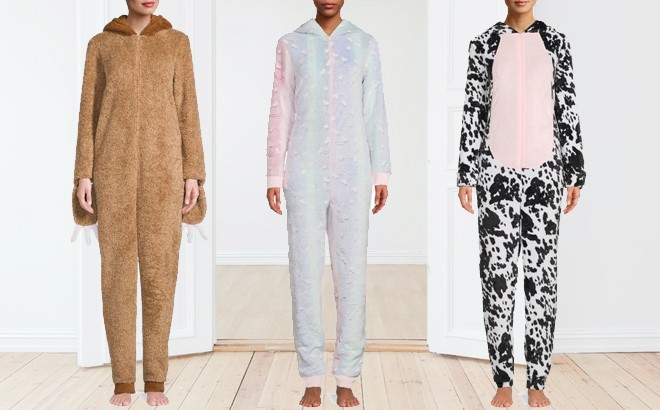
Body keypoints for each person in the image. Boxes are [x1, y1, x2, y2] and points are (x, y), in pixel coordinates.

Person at [71, 0, 206, 406]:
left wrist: (193, 172)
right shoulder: (101, 45)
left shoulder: (177, 43)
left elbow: (188, 110)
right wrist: (83, 173)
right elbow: (88, 112)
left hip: (164, 173)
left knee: (160, 274)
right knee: (116, 275)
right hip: (111, 171)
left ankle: (156, 379)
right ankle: (122, 381)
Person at [456, 0, 586, 407]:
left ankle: (537, 380)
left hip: (546, 174)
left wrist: (575, 171)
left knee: (541, 280)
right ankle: (502, 378)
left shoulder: (556, 43)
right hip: (496, 174)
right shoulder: (483, 44)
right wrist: (466, 172)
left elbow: (566, 106)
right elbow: (474, 109)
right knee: (497, 278)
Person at [265, 0, 391, 406]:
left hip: (354, 172)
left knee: (351, 274)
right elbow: (281, 110)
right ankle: (311, 376)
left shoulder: (365, 44)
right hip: (303, 171)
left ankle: (347, 376)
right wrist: (274, 173)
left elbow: (374, 110)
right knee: (304, 271)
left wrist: (381, 172)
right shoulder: (291, 44)